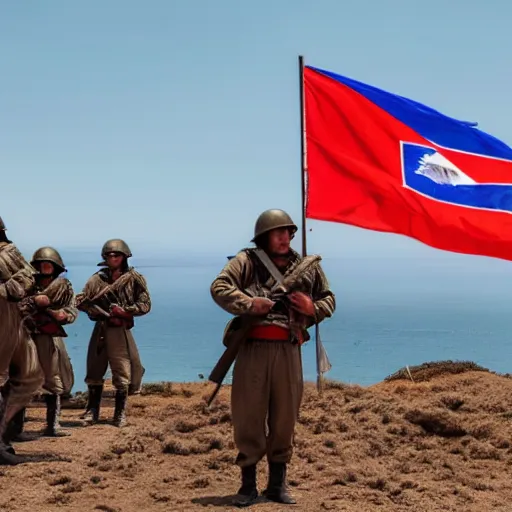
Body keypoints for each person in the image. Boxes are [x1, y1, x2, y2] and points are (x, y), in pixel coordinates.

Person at [210, 209, 336, 506]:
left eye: (288, 232)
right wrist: (250, 303)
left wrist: (310, 307)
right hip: (253, 349)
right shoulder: (246, 261)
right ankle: (247, 486)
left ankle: (277, 485)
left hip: (288, 350)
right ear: (264, 236)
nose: (284, 237)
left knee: (284, 419)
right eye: (278, 232)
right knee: (248, 417)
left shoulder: (306, 267)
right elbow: (219, 288)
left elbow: (328, 299)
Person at [76, 239, 150, 427]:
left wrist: (125, 311)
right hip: (101, 326)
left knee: (122, 370)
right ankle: (92, 411)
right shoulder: (97, 279)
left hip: (120, 329)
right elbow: (81, 300)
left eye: (116, 255)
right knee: (94, 368)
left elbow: (145, 305)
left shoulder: (134, 279)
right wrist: (91, 308)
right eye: (109, 255)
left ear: (124, 257)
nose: (112, 258)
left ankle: (119, 413)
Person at [14, 246, 77, 438]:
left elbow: (71, 310)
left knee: (53, 378)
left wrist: (63, 315)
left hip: (49, 337)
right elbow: (16, 305)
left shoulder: (64, 288)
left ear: (56, 267)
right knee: (22, 379)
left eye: (49, 265)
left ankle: (53, 425)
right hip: (25, 335)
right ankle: (15, 429)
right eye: (42, 264)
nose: (45, 268)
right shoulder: (28, 285)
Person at [0, 217, 44, 464]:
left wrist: (6, 289)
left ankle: (5, 435)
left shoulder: (9, 252)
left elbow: (28, 278)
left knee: (29, 376)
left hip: (8, 318)